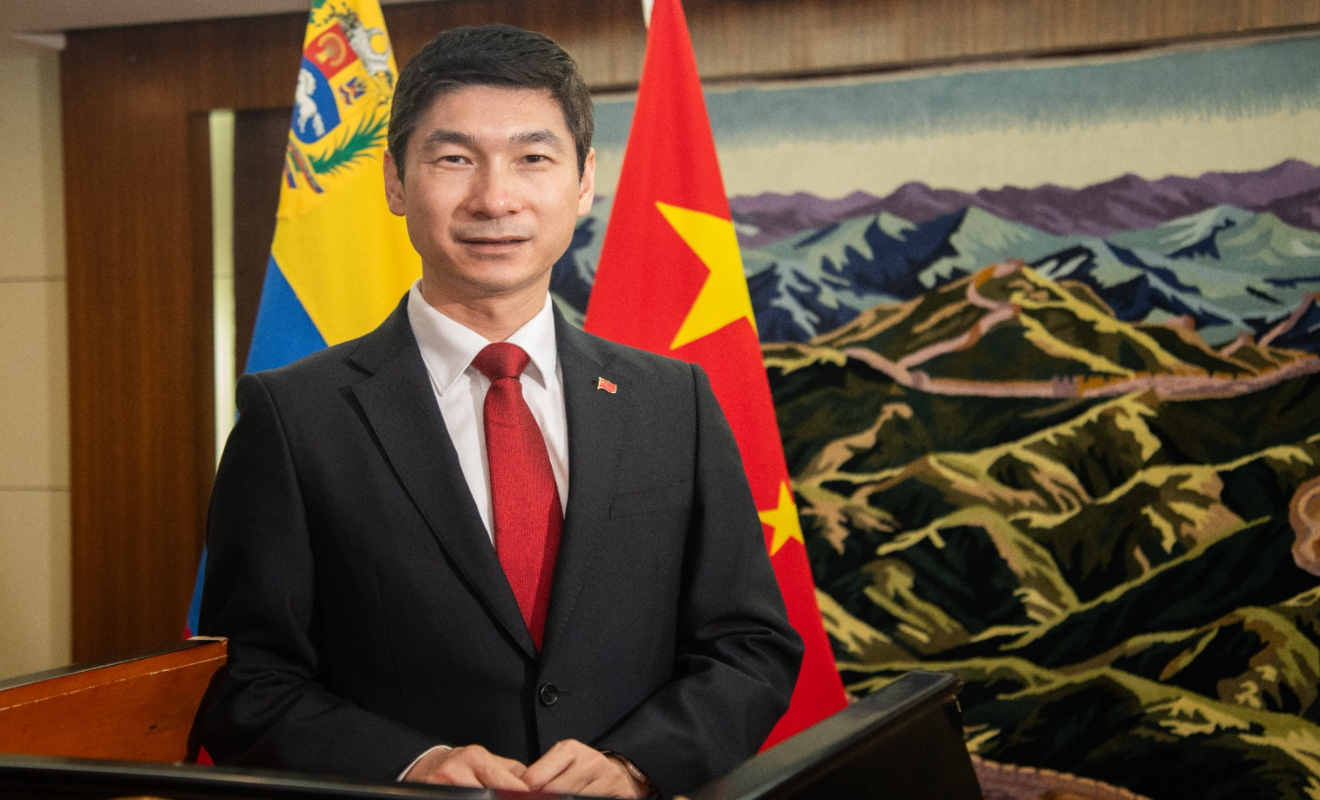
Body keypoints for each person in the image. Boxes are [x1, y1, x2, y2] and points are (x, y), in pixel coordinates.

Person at [198, 23, 803, 799]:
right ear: (395, 182)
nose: (494, 198)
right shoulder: (294, 416)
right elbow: (246, 679)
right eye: (454, 159)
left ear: (583, 181)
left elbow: (749, 645)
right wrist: (408, 766)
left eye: (533, 158)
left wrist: (638, 764)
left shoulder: (672, 402)